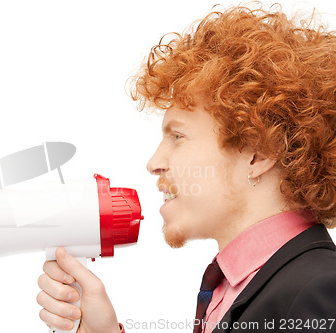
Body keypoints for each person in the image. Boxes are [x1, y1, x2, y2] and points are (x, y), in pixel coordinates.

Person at [36, 4, 336, 332]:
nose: (154, 164)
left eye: (177, 136)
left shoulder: (319, 291)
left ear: (258, 154)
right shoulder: (238, 288)